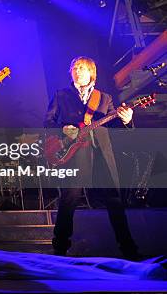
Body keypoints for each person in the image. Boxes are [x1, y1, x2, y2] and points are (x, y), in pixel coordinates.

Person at [45, 56, 139, 258]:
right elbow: (47, 122)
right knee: (69, 198)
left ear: (91, 73)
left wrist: (127, 120)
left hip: (102, 153)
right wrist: (63, 129)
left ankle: (129, 249)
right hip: (74, 153)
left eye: (82, 68)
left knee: (114, 200)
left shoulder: (104, 98)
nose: (78, 71)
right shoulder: (61, 95)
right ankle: (60, 247)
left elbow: (116, 126)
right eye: (75, 68)